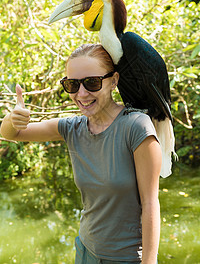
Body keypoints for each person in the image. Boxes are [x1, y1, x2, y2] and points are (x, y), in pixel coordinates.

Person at [0, 44, 161, 264]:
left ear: (113, 80)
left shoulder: (136, 127)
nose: (82, 94)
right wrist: (12, 119)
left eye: (92, 82)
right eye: (72, 85)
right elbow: (12, 134)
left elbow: (151, 203)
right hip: (86, 251)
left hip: (126, 258)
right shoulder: (72, 128)